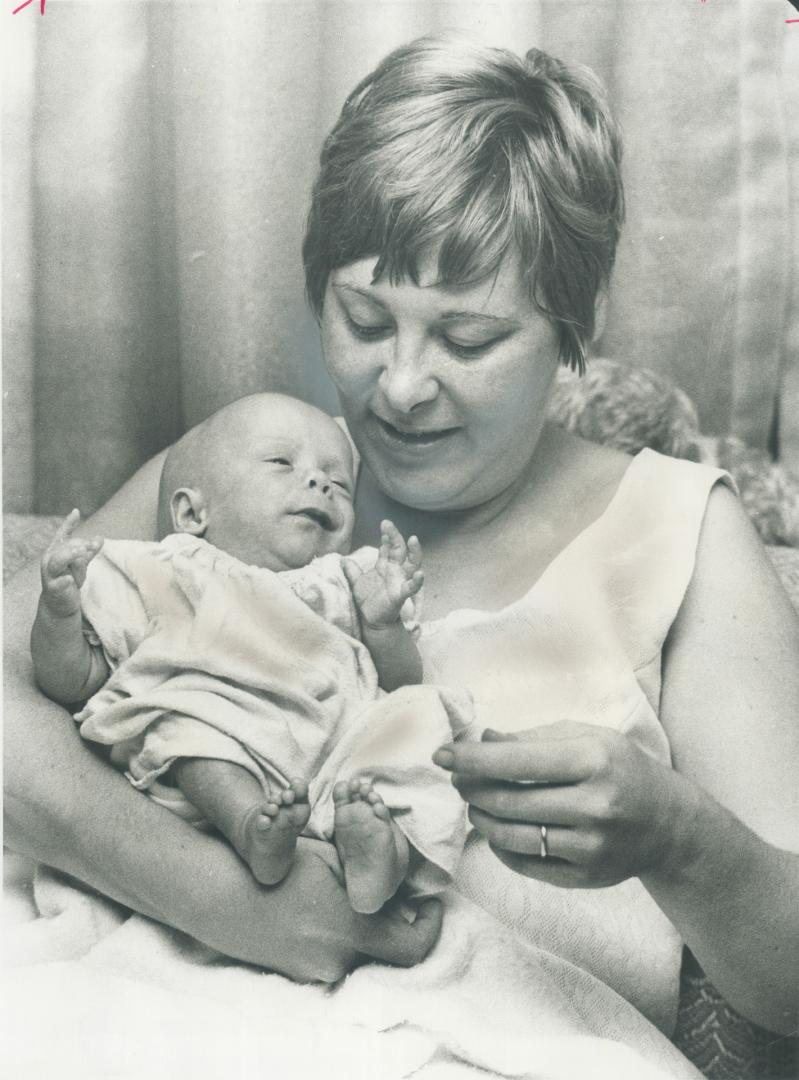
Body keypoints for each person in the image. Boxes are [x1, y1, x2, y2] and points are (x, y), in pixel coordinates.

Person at [5, 31, 797, 1046]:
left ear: (573, 326)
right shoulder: (251, 476)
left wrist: (680, 840)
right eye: (365, 319)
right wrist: (229, 901)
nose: (403, 385)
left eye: (470, 339)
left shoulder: (681, 533)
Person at [29, 393, 470, 913]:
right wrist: (58, 612)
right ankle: (248, 826)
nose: (320, 482)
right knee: (187, 730)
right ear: (193, 513)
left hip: (334, 747)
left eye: (340, 482)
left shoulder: (348, 580)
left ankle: (382, 852)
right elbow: (73, 680)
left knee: (422, 716)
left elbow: (401, 682)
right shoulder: (163, 568)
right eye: (282, 463)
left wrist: (383, 622)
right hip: (220, 731)